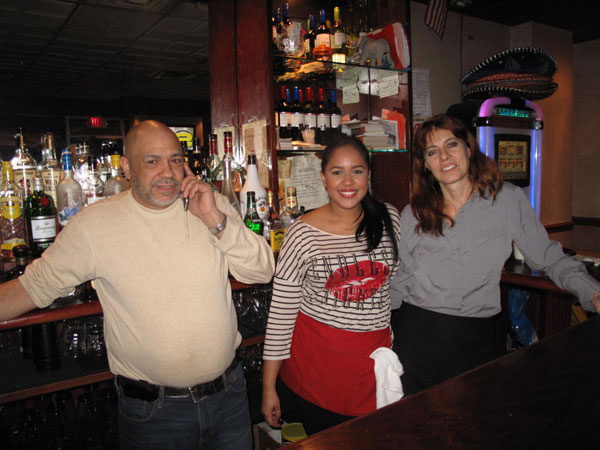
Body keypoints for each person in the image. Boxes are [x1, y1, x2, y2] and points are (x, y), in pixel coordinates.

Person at [0, 120, 275, 450]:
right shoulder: (94, 225)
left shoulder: (209, 204)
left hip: (228, 395)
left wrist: (215, 220)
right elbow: (34, 287)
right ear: (127, 167)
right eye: (152, 161)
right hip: (154, 413)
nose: (168, 172)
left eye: (175, 159)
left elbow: (261, 271)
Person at [390, 113, 600, 396]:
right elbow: (401, 279)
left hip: (472, 338)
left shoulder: (507, 200)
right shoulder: (412, 213)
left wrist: (593, 293)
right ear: (426, 164)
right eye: (432, 151)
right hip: (415, 336)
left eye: (451, 144)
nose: (444, 156)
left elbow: (549, 257)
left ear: (468, 147)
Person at [261, 135, 401, 435]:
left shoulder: (389, 218)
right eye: (337, 171)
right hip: (319, 368)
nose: (347, 181)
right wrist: (268, 386)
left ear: (369, 175)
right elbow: (281, 314)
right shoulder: (302, 233)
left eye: (357, 171)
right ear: (323, 177)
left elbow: (394, 284)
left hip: (372, 365)